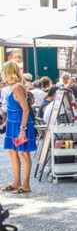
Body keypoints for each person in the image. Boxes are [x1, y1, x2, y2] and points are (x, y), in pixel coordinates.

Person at [2, 62, 36, 194]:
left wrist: (22, 129)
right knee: (12, 151)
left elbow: (25, 109)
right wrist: (5, 124)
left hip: (20, 123)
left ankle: (26, 185)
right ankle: (16, 182)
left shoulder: (17, 87)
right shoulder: (13, 87)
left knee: (23, 152)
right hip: (12, 123)